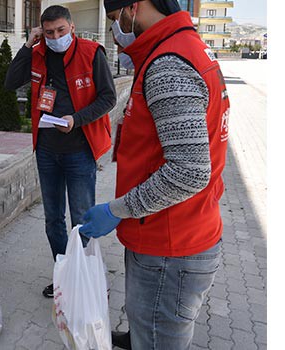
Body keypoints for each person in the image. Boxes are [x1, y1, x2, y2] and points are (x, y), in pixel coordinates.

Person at [80, 0, 231, 349]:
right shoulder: (183, 49)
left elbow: (188, 173)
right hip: (173, 231)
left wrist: (116, 210)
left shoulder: (168, 65)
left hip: (170, 245)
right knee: (149, 330)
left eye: (117, 19)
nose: (117, 34)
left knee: (158, 338)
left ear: (135, 7)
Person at [4, 5, 117, 298]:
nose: (55, 37)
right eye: (49, 32)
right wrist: (28, 45)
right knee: (52, 219)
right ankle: (65, 277)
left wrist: (75, 120)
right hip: (47, 151)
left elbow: (108, 98)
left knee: (81, 219)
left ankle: (89, 280)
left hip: (80, 150)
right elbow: (10, 82)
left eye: (61, 31)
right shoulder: (38, 53)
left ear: (72, 28)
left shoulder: (93, 53)